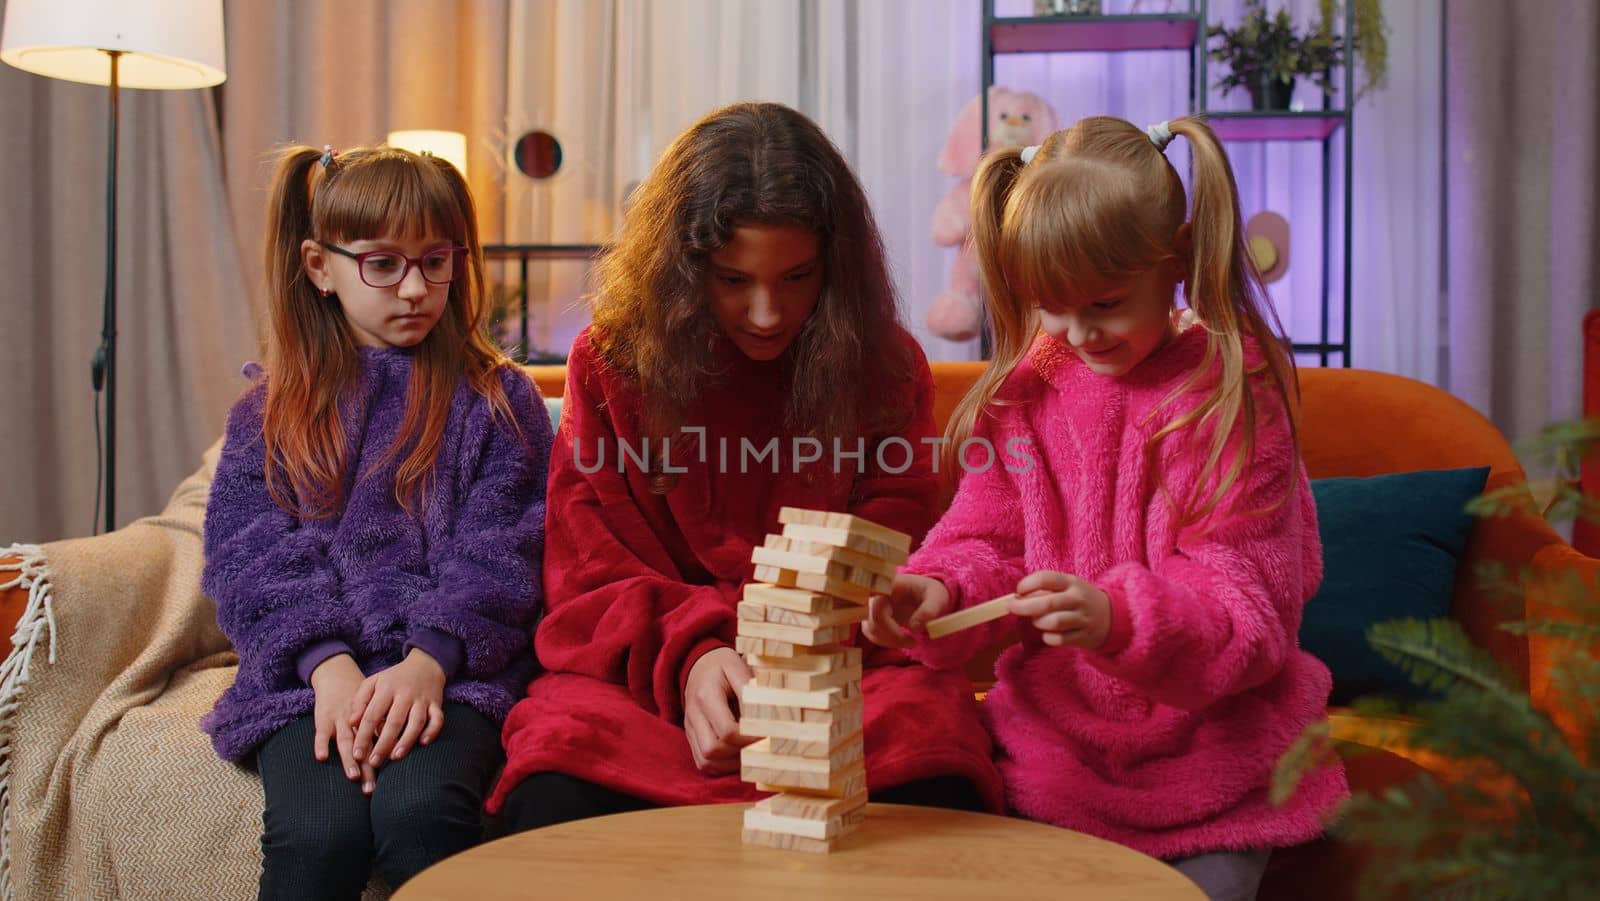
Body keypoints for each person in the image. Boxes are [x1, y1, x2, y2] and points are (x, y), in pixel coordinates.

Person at [862, 116, 1347, 901]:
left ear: (1179, 259)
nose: (1077, 332)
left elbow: (1249, 614)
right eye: (1049, 305)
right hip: (1056, 757)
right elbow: (986, 537)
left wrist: (1119, 618)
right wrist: (939, 590)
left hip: (1218, 765)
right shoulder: (1022, 397)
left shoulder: (1230, 400)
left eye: (1106, 302)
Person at [488, 102, 1004, 830]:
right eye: (734, 280)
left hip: (839, 665)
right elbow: (586, 569)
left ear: (834, 264)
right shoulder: (609, 363)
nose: (767, 313)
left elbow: (895, 551)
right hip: (648, 675)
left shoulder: (883, 366)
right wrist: (692, 656)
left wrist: (800, 650)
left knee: (936, 764)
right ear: (682, 267)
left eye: (796, 278)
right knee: (553, 787)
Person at [200, 144, 552, 899]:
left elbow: (508, 546)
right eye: (383, 264)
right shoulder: (268, 414)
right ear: (320, 266)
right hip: (312, 679)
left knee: (422, 812)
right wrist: (326, 666)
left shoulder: (499, 401)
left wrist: (430, 660)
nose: (416, 288)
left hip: (454, 675)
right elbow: (250, 554)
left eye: (436, 260)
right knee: (316, 833)